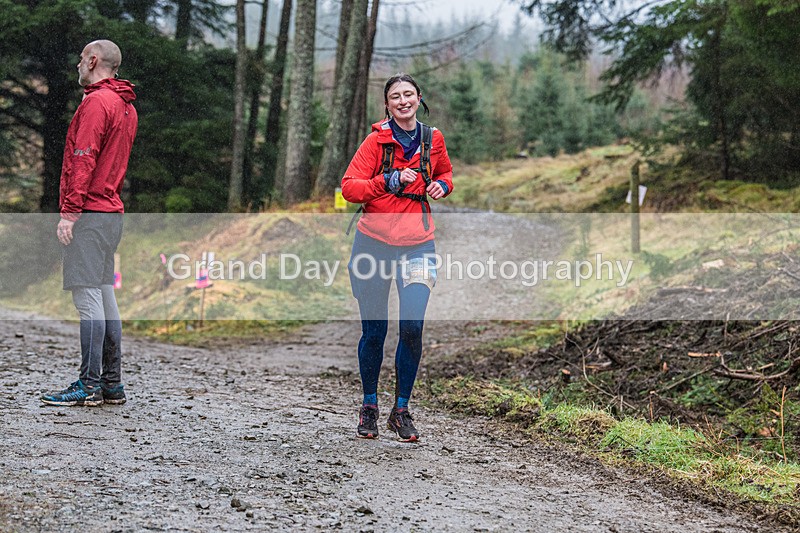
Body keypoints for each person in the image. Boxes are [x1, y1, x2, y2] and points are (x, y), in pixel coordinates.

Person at [341, 73, 453, 442]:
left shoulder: (432, 138)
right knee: (375, 330)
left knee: (412, 327)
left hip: (418, 245)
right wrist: (386, 181)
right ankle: (370, 405)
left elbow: (446, 173)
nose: (403, 101)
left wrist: (443, 185)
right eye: (395, 97)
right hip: (373, 243)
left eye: (409, 94)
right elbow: (349, 188)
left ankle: (401, 410)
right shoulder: (375, 141)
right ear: (387, 104)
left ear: (419, 98)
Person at [41, 40, 138, 407]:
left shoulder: (98, 103)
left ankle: (89, 385)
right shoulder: (125, 105)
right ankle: (112, 384)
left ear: (94, 60)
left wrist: (69, 213)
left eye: (81, 59)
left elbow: (83, 160)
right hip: (111, 214)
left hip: (91, 214)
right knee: (105, 294)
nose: (78, 65)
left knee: (88, 299)